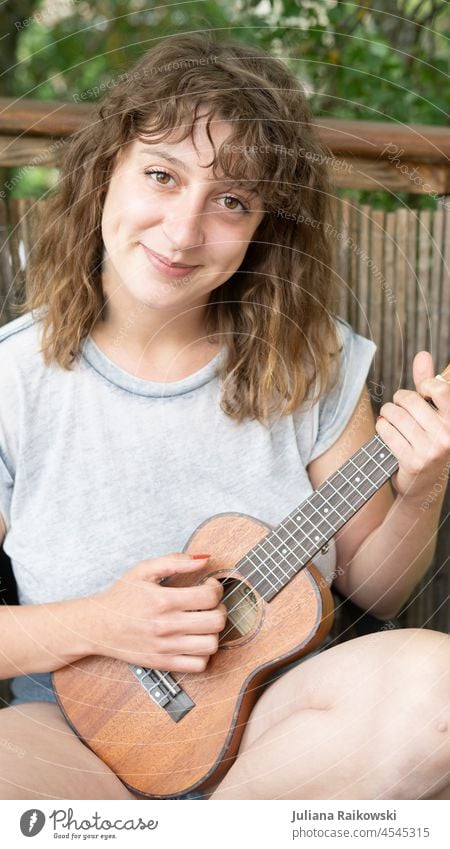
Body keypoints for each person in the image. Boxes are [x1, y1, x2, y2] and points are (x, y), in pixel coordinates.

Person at [0, 32, 448, 802]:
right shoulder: (10, 378)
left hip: (277, 741)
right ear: (105, 170)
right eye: (161, 176)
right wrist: (105, 623)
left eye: (231, 201)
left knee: (437, 692)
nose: (183, 231)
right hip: (74, 740)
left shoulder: (315, 360)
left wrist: (423, 487)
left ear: (263, 226)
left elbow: (380, 590)